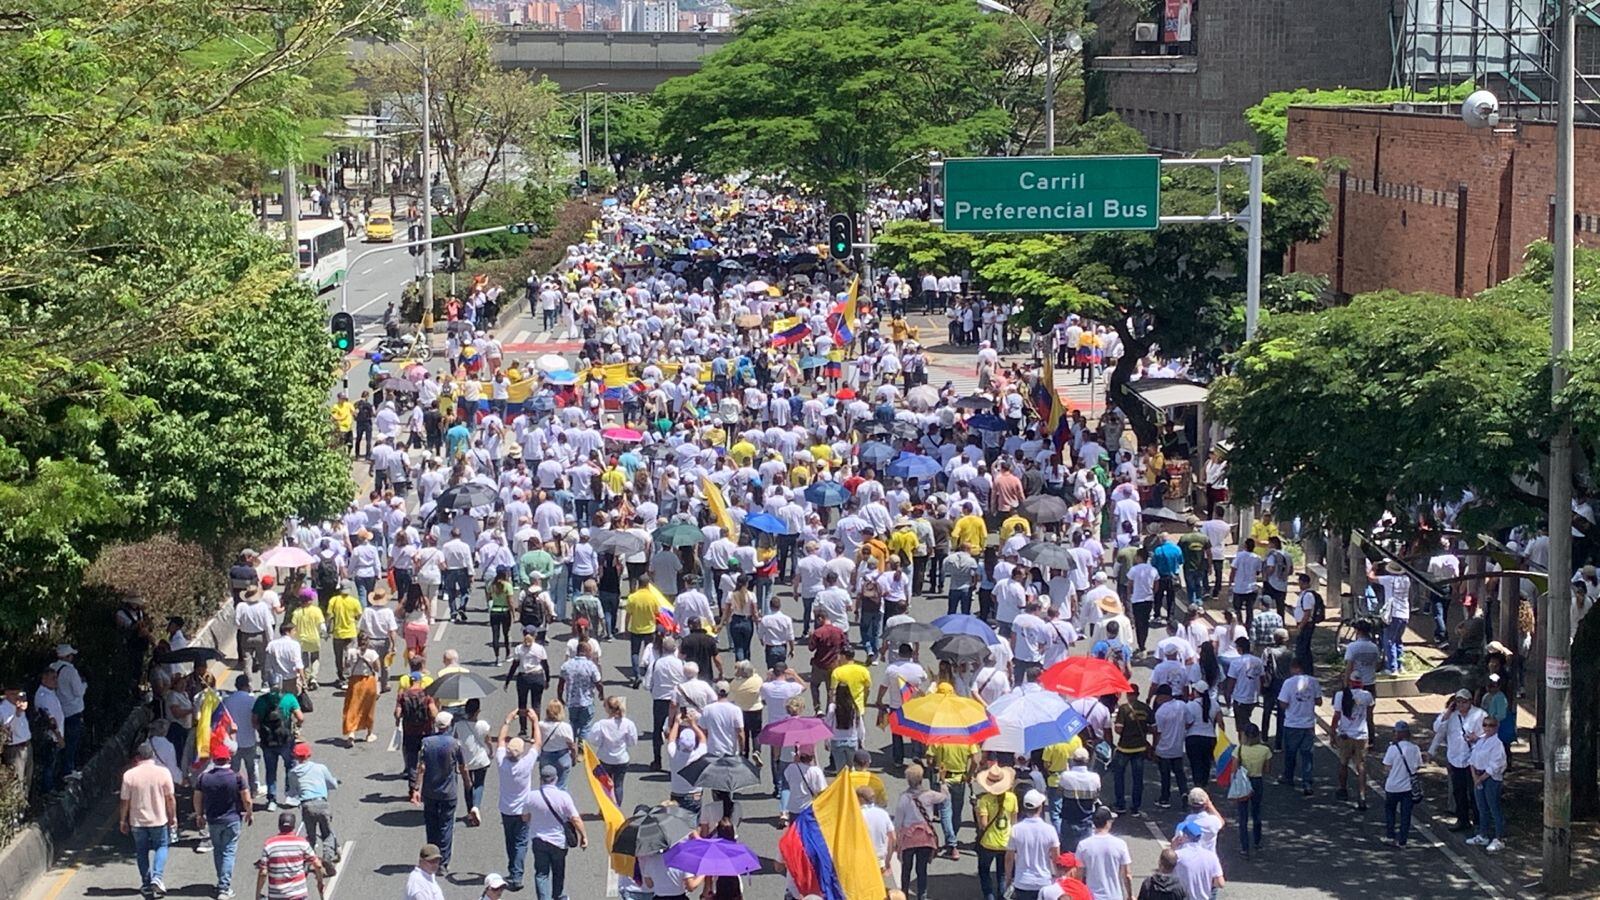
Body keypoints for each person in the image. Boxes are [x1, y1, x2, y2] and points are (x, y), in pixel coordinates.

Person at [412, 711, 472, 873]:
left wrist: (416, 788)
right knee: (446, 826)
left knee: (432, 826)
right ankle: (443, 862)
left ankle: (431, 858)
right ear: (449, 726)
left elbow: (421, 767)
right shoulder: (454, 744)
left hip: (430, 791)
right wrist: (467, 783)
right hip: (448, 792)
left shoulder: (426, 743)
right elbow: (462, 767)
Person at [119, 741, 176, 898]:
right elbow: (170, 798)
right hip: (159, 819)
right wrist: (173, 817)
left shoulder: (129, 775)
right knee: (162, 846)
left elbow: (125, 800)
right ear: (152, 755)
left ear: (138, 757)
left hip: (137, 821)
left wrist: (122, 820)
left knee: (141, 851)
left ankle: (146, 884)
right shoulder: (163, 773)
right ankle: (157, 877)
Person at [522, 763, 587, 900]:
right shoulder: (563, 797)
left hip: (538, 840)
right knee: (558, 872)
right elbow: (575, 819)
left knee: (541, 874)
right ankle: (558, 896)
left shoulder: (530, 796)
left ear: (541, 779)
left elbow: (525, 818)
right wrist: (584, 836)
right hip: (558, 842)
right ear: (555, 779)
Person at [194, 744, 251, 899]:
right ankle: (224, 887)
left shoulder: (204, 778)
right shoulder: (237, 777)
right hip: (233, 819)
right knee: (229, 851)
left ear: (214, 759)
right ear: (229, 758)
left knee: (218, 851)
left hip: (213, 820)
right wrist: (249, 813)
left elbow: (197, 798)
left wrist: (199, 816)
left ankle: (221, 882)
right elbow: (246, 798)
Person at [1427, 688, 1486, 832]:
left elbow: (1487, 735)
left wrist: (1476, 738)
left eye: (1464, 702)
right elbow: (1438, 730)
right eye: (1458, 702)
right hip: (1455, 759)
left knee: (1474, 792)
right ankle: (1462, 820)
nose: (1461, 705)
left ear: (1470, 702)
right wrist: (1448, 712)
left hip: (1472, 759)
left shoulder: (1479, 714)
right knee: (1458, 792)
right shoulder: (1450, 716)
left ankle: (1479, 820)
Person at [892, 764, 947, 900]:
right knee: (921, 869)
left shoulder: (904, 798)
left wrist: (896, 841)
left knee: (906, 870)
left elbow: (898, 822)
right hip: (925, 837)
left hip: (908, 838)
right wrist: (943, 781)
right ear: (922, 779)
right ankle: (922, 895)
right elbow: (944, 797)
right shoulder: (929, 795)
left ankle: (904, 895)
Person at [252, 680, 303, 812]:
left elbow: (254, 721)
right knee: (290, 767)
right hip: (286, 740)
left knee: (270, 770)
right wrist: (296, 727)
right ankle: (290, 795)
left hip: (267, 742)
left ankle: (271, 800)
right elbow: (300, 717)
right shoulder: (289, 698)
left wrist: (261, 732)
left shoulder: (261, 701)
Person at [256, 810, 325, 900]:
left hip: (277, 896)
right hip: (299, 895)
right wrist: (320, 881)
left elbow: (263, 872)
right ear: (293, 827)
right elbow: (318, 865)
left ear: (279, 826)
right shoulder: (302, 843)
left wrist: (257, 894)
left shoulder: (269, 845)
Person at [1276, 657, 1320, 795]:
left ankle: (1288, 776)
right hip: (1308, 723)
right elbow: (1319, 701)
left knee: (1290, 753)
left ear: (1295, 668)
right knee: (1307, 754)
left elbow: (1282, 703)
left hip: (1292, 723)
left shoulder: (1288, 683)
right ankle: (1307, 782)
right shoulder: (1313, 682)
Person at [974, 763, 1018, 900]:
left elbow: (983, 824)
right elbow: (1014, 822)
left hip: (988, 842)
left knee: (984, 870)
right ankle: (1003, 897)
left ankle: (989, 896)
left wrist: (977, 811)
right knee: (1003, 873)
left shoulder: (984, 800)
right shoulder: (1012, 798)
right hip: (1005, 842)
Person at [1006, 789, 1060, 900]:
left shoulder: (1016, 829)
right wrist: (1058, 876)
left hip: (1022, 881)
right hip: (1044, 881)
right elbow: (1056, 858)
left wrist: (1008, 879)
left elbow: (1009, 858)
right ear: (1040, 808)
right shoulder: (1049, 830)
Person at [1331, 677, 1375, 810]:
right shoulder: (1367, 696)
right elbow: (1369, 714)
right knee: (1360, 765)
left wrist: (1332, 733)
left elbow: (1337, 715)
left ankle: (1343, 789)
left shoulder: (1340, 695)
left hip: (1345, 734)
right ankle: (1362, 795)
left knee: (1343, 763)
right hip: (1361, 734)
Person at [290, 742, 339, 858]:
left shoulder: (293, 773)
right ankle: (328, 857)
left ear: (295, 756)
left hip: (307, 805)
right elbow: (332, 784)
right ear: (309, 755)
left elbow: (293, 791)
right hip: (322, 803)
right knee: (327, 833)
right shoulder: (320, 768)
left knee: (310, 836)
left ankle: (309, 859)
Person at [1468, 714, 1508, 852]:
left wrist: (1481, 777)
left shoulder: (1497, 744)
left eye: (1491, 725)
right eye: (1485, 725)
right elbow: (1472, 760)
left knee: (1494, 808)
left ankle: (1499, 838)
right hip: (1478, 775)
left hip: (1490, 778)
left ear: (1496, 727)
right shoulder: (1480, 741)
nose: (1487, 728)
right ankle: (1483, 834)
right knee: (1481, 808)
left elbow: (1495, 765)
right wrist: (1474, 777)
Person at [1075, 807, 1132, 900]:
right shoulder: (1120, 844)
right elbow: (1127, 875)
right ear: (1108, 822)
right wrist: (1129, 895)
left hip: (1092, 896)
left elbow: (1079, 875)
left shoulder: (1083, 845)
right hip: (1114, 896)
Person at [590, 695, 639, 804]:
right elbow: (632, 742)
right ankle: (617, 807)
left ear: (608, 709)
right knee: (619, 784)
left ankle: (605, 807)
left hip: (605, 758)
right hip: (622, 759)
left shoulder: (601, 724)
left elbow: (594, 740)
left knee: (604, 785)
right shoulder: (628, 724)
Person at [1383, 720, 1423, 848]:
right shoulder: (1415, 748)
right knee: (1406, 815)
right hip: (1407, 788)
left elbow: (1387, 766)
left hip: (1392, 787)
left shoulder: (1392, 749)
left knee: (1390, 811)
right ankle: (1403, 840)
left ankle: (1390, 836)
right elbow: (1417, 767)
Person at [1111, 689, 1152, 815]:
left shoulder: (1123, 709)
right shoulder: (1146, 708)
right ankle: (1135, 807)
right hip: (1140, 748)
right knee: (1138, 778)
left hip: (1124, 748)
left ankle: (1120, 804)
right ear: (1138, 694)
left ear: (1128, 695)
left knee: (1119, 776)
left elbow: (1118, 729)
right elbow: (1153, 728)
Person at [1233, 723, 1271, 857]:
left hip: (1244, 781)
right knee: (1256, 812)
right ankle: (1257, 841)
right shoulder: (1265, 750)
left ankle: (1244, 847)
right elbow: (1267, 770)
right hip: (1257, 781)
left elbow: (1234, 769)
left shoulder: (1239, 749)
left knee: (1242, 816)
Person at [341, 633, 382, 744]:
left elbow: (346, 666)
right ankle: (369, 733)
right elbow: (377, 667)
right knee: (369, 708)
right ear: (367, 641)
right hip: (368, 681)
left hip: (355, 682)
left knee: (352, 707)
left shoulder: (351, 652)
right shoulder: (372, 653)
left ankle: (351, 732)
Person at [1171, 820, 1224, 900]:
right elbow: (1220, 883)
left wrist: (1173, 847)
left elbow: (1165, 872)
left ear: (1183, 835)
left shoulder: (1178, 856)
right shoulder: (1211, 856)